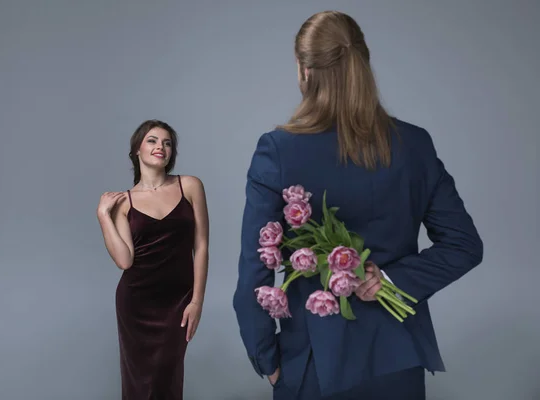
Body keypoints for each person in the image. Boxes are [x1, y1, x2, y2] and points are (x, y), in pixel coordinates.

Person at [233, 10, 483, 400]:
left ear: (304, 70)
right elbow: (464, 245)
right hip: (398, 359)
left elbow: (254, 274)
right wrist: (388, 282)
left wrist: (269, 363)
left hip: (314, 364)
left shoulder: (278, 151)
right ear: (363, 62)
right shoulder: (414, 145)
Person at [97, 119, 209, 400]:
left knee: (167, 378)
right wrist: (103, 216)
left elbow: (202, 246)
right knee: (139, 384)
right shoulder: (124, 202)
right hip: (136, 303)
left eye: (167, 143)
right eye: (152, 140)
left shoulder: (190, 186)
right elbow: (124, 261)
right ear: (137, 149)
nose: (161, 146)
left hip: (178, 301)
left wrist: (197, 301)